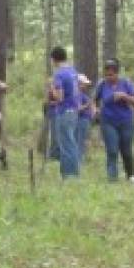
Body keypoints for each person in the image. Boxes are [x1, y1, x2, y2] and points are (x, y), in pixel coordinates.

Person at [95, 59, 134, 183]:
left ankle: (131, 176)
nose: (109, 77)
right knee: (112, 150)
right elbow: (94, 100)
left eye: (111, 75)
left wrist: (124, 96)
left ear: (117, 73)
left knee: (126, 150)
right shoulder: (102, 84)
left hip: (125, 121)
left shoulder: (126, 83)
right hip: (108, 121)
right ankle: (112, 179)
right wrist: (96, 110)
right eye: (106, 75)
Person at [49, 47, 82, 179]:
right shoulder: (73, 71)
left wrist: (52, 88)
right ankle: (72, 172)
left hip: (64, 111)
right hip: (74, 110)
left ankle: (69, 175)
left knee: (66, 143)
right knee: (71, 141)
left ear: (54, 59)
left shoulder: (59, 74)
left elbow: (59, 97)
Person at [77, 74, 94, 161]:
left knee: (83, 140)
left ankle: (82, 158)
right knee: (80, 140)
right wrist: (88, 105)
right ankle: (79, 159)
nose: (86, 86)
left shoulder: (82, 94)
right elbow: (78, 109)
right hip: (81, 120)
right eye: (84, 84)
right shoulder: (78, 94)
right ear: (79, 84)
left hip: (85, 120)